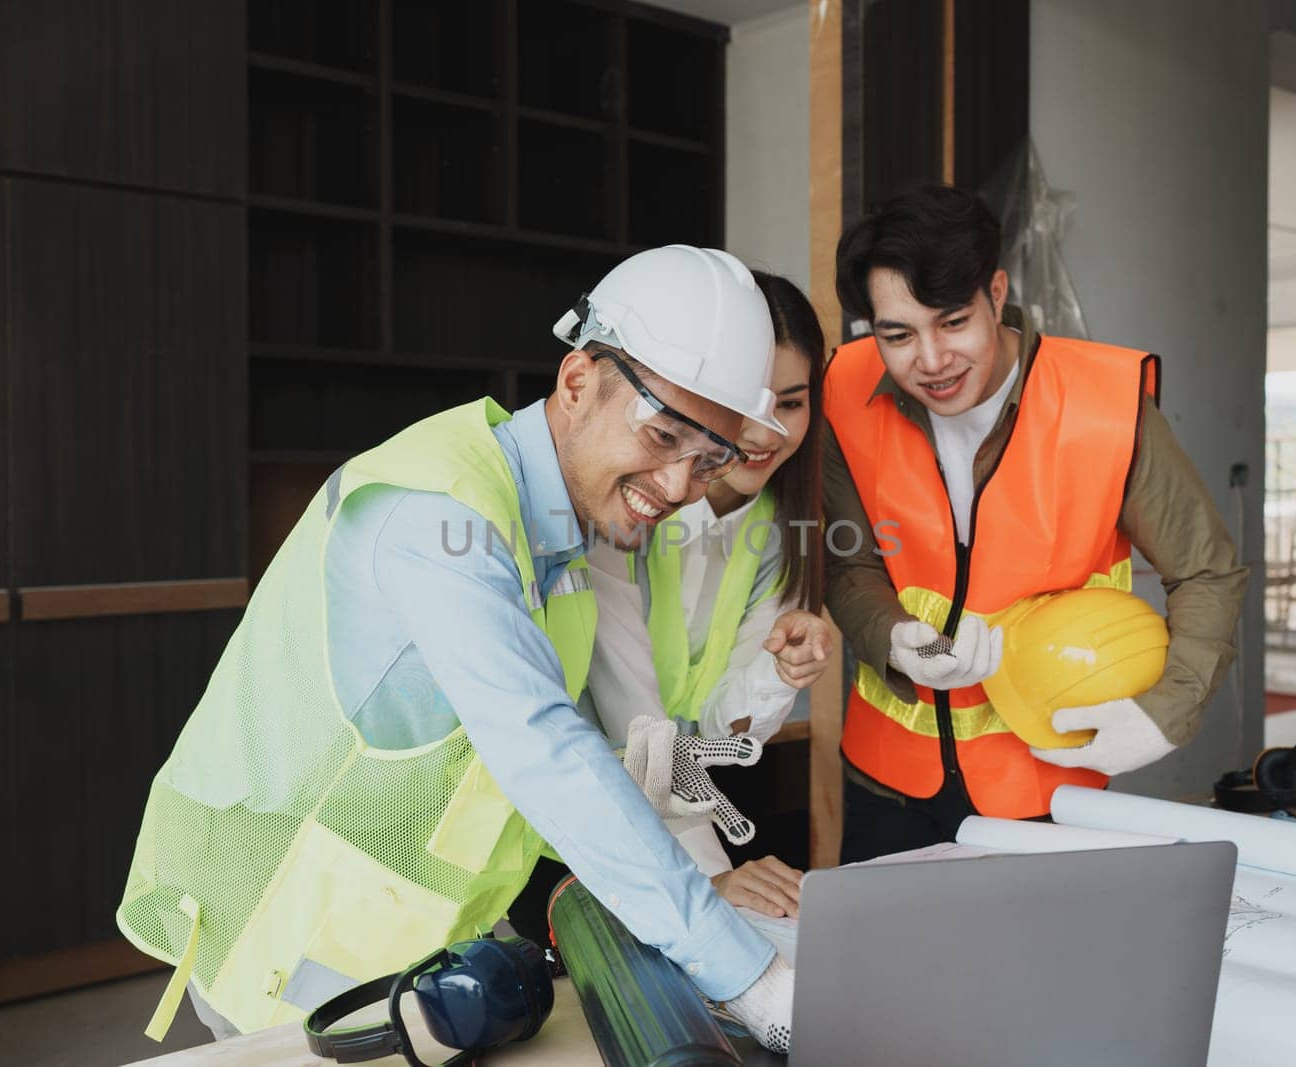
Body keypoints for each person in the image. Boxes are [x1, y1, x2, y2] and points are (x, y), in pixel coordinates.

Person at [115, 245, 794, 1053]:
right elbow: (539, 747)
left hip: (414, 943)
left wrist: (637, 797)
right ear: (576, 383)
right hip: (294, 940)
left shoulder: (560, 541)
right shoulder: (441, 513)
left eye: (710, 456)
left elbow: (497, 757)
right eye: (662, 434)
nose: (682, 483)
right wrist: (747, 973)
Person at [823, 184, 1248, 862]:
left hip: (1050, 787)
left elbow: (1207, 569)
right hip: (888, 783)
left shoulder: (1106, 407)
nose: (930, 361)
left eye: (953, 321)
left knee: (1038, 970)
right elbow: (849, 563)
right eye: (897, 334)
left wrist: (1164, 713)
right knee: (888, 969)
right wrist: (893, 636)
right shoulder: (844, 389)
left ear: (996, 294)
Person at [575, 271, 830, 920]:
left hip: (669, 818)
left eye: (793, 403)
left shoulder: (784, 527)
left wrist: (779, 671)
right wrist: (708, 884)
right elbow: (634, 724)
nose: (768, 431)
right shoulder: (626, 506)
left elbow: (721, 726)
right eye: (749, 402)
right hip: (576, 837)